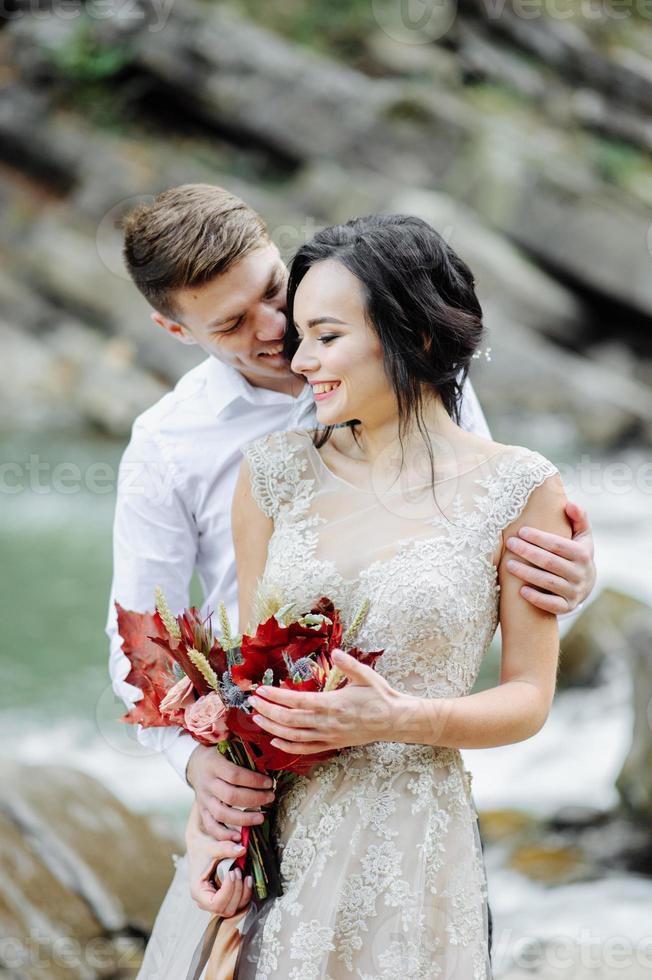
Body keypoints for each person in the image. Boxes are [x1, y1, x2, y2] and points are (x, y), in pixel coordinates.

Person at [105, 188, 595, 973]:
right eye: (231, 324)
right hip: (275, 796)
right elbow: (147, 642)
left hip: (413, 812)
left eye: (277, 295)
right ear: (176, 331)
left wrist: (570, 572)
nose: (277, 335)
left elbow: (481, 557)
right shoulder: (182, 450)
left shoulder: (440, 394)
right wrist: (207, 785)